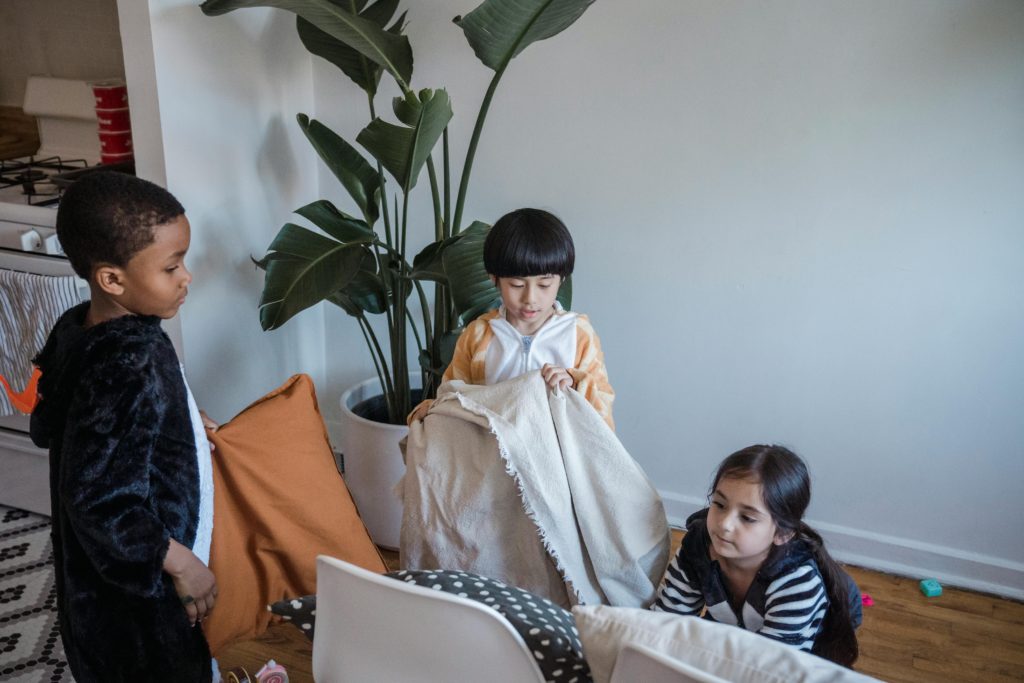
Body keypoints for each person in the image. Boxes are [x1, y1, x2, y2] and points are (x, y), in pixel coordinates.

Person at [30, 172, 219, 682]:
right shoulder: (130, 361)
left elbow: (83, 426)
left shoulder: (82, 328)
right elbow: (100, 500)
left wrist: (182, 418)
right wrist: (182, 564)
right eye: (172, 266)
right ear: (112, 280)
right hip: (139, 607)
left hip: (91, 590)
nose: (187, 277)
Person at [652, 444, 861, 666]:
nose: (725, 524)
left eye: (747, 518)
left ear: (783, 533)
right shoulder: (697, 548)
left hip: (809, 642)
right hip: (737, 627)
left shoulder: (796, 581)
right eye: (720, 504)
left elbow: (771, 669)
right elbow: (665, 624)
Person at [409, 207, 615, 428]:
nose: (530, 298)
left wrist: (575, 383)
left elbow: (603, 407)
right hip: (492, 447)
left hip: (557, 448)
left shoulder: (578, 334)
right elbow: (452, 396)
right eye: (517, 285)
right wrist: (432, 408)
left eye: (544, 285)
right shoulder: (477, 335)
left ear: (561, 279)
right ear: (494, 279)